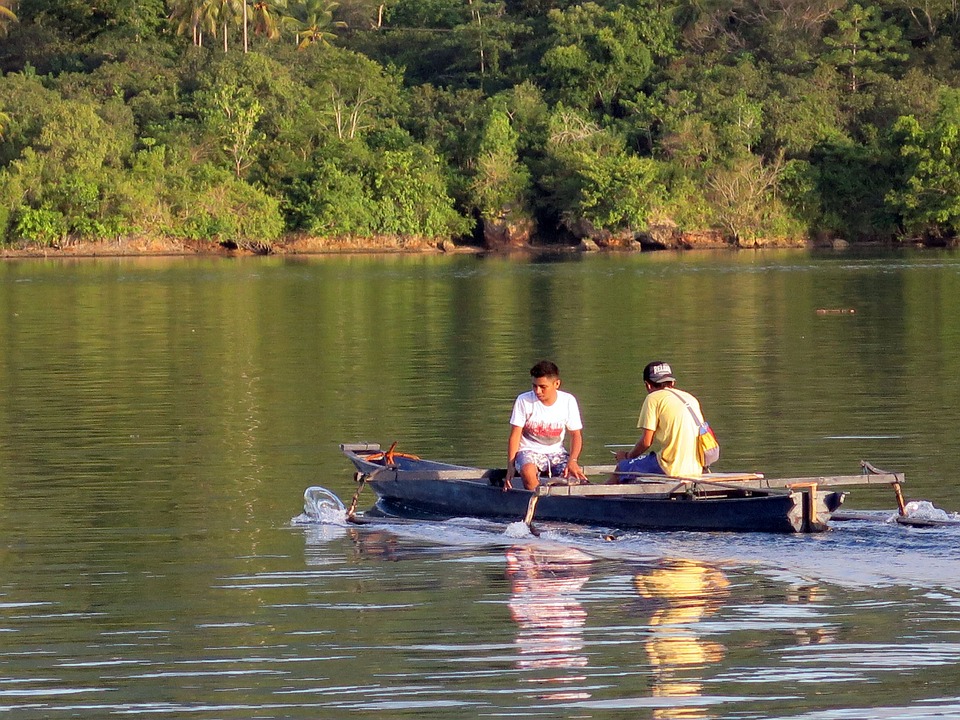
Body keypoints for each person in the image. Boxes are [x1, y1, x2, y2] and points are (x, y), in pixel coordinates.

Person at [612, 361, 706, 481]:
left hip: (671, 468)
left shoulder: (653, 398)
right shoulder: (691, 398)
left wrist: (627, 457)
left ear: (648, 385)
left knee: (622, 468)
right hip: (696, 468)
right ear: (672, 382)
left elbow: (646, 441)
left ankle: (599, 495)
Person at [506, 361, 587, 491]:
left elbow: (575, 435)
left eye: (543, 387)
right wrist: (510, 467)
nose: (538, 391)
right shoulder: (523, 400)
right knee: (527, 472)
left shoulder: (568, 401)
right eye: (534, 386)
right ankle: (539, 501)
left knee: (576, 478)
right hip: (528, 451)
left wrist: (573, 460)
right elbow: (515, 435)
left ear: (556, 384)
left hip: (557, 453)